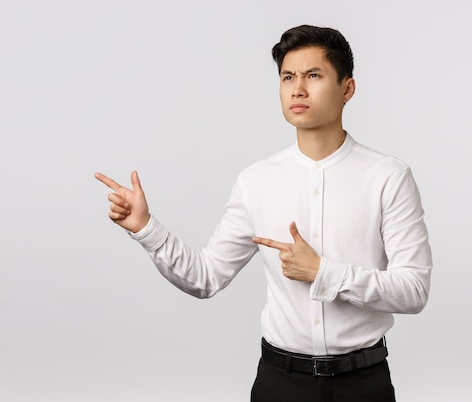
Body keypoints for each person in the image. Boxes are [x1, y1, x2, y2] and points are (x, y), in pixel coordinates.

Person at [95, 25, 432, 402]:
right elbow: (206, 277)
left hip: (363, 384)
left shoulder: (388, 177)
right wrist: (145, 228)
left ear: (347, 89)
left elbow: (413, 291)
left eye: (313, 75)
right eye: (288, 77)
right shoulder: (256, 181)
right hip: (280, 384)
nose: (297, 89)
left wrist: (324, 273)